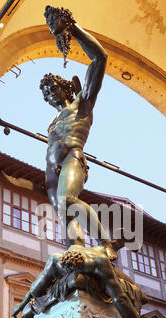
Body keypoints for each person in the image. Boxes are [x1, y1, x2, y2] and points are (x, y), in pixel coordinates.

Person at [40, 5, 117, 260]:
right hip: (52, 170)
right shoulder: (52, 121)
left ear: (65, 88)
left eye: (52, 88)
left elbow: (100, 58)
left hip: (73, 156)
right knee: (64, 215)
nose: (49, 94)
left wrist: (72, 28)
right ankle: (76, 253)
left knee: (69, 198)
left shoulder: (82, 104)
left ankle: (104, 242)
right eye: (45, 93)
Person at [11, 243, 150, 318]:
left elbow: (119, 297)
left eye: (76, 271)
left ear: (83, 267)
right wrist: (21, 304)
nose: (71, 275)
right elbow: (36, 286)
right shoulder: (56, 261)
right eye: (67, 272)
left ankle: (140, 293)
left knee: (129, 287)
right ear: (63, 267)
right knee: (73, 281)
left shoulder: (99, 262)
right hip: (73, 271)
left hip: (105, 269)